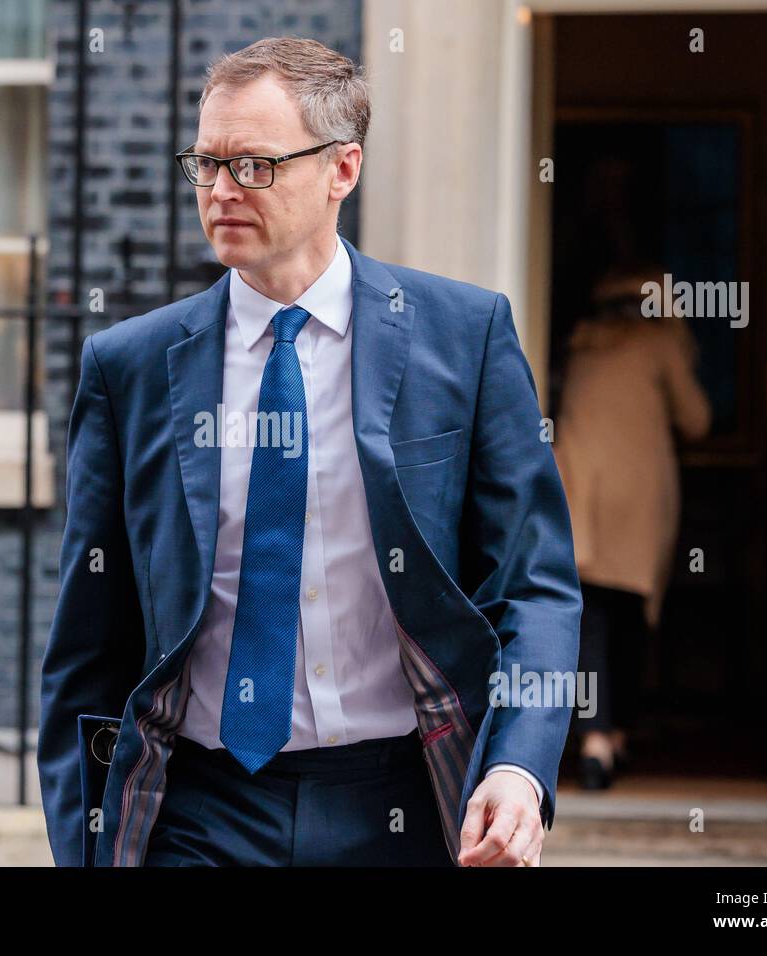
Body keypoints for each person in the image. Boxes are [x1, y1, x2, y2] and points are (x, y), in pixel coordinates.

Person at [37, 36, 581, 867]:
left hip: (403, 800)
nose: (221, 190)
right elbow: (89, 641)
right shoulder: (130, 368)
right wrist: (86, 845)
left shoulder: (464, 337)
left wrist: (516, 765)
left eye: (255, 165)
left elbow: (533, 586)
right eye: (207, 163)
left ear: (343, 170)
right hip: (199, 808)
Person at [552, 267, 712, 789]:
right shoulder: (661, 342)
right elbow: (697, 419)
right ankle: (615, 732)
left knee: (590, 612)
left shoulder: (581, 344)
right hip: (639, 492)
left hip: (580, 486)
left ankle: (594, 737)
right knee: (631, 609)